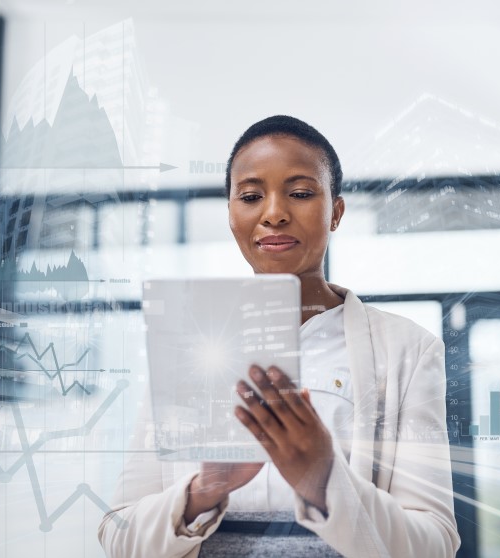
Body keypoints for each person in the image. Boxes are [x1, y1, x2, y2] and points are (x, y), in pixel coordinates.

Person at [98, 115, 460, 557]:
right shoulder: (188, 347)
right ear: (231, 212)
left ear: (336, 212)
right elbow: (119, 537)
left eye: (301, 193)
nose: (273, 214)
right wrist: (202, 491)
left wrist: (323, 479)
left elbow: (436, 544)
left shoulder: (406, 349)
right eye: (251, 196)